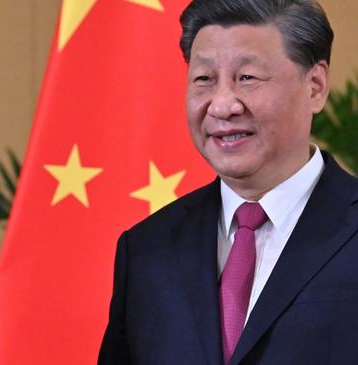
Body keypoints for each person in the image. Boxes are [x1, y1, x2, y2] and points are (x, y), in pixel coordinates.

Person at [99, 0, 358, 364]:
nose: (221, 106)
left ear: (315, 87)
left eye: (247, 78)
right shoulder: (146, 250)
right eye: (204, 79)